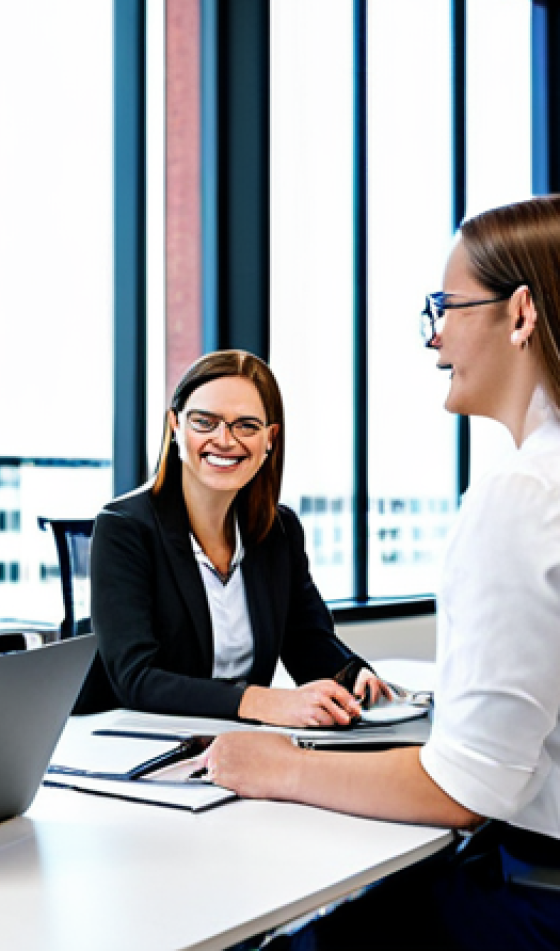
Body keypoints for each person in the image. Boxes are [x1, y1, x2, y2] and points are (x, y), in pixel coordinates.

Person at [204, 195, 560, 949]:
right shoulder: (130, 529)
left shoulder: (523, 496)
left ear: (521, 313)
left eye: (447, 307)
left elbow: (466, 790)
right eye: (207, 422)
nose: (434, 336)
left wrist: (283, 766)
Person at [88, 350, 388, 725]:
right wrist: (261, 702)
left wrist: (353, 675)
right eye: (204, 422)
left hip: (241, 739)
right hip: (142, 739)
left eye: (246, 426)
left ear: (270, 438)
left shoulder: (279, 530)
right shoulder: (124, 528)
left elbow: (306, 639)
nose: (225, 440)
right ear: (175, 426)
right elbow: (135, 679)